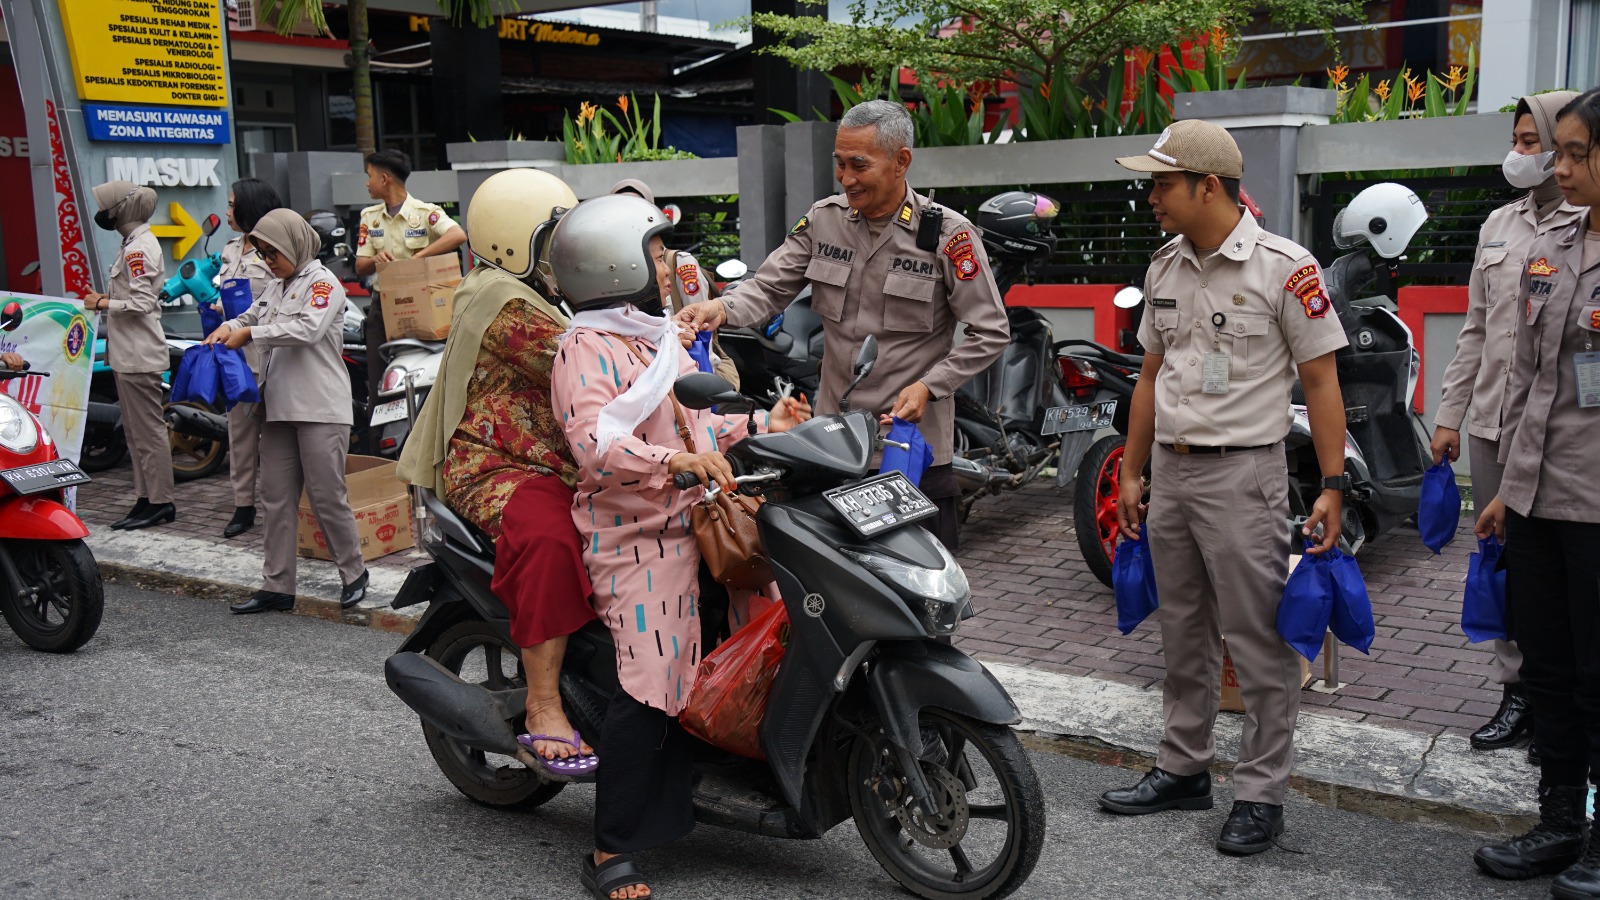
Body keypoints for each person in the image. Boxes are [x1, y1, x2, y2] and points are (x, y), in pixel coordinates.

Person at [1099, 120, 1350, 855]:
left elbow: (1321, 379)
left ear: (1208, 186)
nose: (1152, 197)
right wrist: (1134, 471)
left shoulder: (1285, 266)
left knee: (1258, 641)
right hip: (1171, 473)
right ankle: (1183, 767)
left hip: (1244, 472)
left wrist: (1333, 484)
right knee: (1182, 631)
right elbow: (1149, 378)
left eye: (1163, 184)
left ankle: (1260, 792)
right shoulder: (1165, 266)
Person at [549, 194, 807, 900]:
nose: (668, 265)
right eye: (657, 253)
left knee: (762, 628)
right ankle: (610, 848)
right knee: (654, 676)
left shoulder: (651, 335)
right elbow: (594, 441)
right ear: (612, 266)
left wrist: (764, 421)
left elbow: (699, 429)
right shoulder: (584, 347)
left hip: (700, 514)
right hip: (635, 531)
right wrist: (671, 466)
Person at [677, 99, 1009, 552]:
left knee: (918, 594)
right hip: (832, 447)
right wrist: (721, 308)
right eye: (839, 164)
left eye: (859, 165)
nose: (846, 178)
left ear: (901, 161)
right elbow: (769, 287)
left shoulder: (949, 237)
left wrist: (930, 386)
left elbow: (989, 330)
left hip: (910, 450)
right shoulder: (823, 222)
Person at [396, 167, 602, 773]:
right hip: (495, 466)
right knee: (551, 538)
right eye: (552, 239)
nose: (565, 252)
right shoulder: (503, 301)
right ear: (516, 242)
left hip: (565, 460)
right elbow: (594, 364)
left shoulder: (542, 291)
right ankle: (543, 706)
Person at [1472, 87, 1600, 896]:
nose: (1561, 167)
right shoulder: (1553, 242)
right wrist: (1507, 489)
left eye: (1579, 153)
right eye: (1562, 151)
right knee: (1547, 667)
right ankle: (1560, 822)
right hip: (1537, 497)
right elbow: (1526, 378)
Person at [1431, 91, 1584, 758]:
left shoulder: (1588, 228)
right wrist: (1448, 417)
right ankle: (1515, 689)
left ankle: (1563, 703)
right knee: (1503, 564)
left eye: (1532, 141)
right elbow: (1473, 332)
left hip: (1561, 439)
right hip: (1494, 425)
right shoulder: (1499, 226)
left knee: (1561, 573)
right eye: (1518, 139)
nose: (1520, 153)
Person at [206, 209, 368, 615]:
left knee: (326, 496)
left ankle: (354, 572)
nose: (268, 261)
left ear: (294, 244)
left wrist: (250, 333)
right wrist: (231, 326)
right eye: (262, 253)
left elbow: (306, 330)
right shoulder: (278, 285)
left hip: (320, 407)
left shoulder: (323, 283)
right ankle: (277, 584)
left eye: (273, 253)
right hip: (277, 405)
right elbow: (251, 314)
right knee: (275, 497)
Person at [354, 149, 467, 441]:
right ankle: (381, 454)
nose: (366, 183)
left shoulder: (424, 212)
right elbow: (360, 264)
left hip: (424, 307)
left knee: (431, 377)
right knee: (380, 382)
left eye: (369, 176)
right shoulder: (370, 217)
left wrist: (418, 260)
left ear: (384, 178)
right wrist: (377, 260)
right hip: (383, 308)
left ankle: (435, 439)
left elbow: (457, 235)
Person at [83, 181, 175, 531]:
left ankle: (161, 501)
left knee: (148, 433)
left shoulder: (139, 249)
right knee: (135, 434)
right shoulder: (131, 244)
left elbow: (141, 303)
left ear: (121, 210)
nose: (103, 213)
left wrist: (103, 302)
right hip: (128, 354)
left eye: (107, 206)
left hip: (139, 355)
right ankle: (145, 498)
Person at [608, 178, 741, 387]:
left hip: (686, 375)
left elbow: (698, 326)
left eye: (637, 209)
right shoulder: (608, 269)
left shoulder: (679, 264)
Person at [215, 178, 286, 539]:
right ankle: (243, 506)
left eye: (232, 204)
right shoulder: (230, 248)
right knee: (239, 434)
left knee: (277, 436)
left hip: (269, 355)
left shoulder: (276, 249)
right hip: (235, 357)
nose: (227, 211)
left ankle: (284, 503)